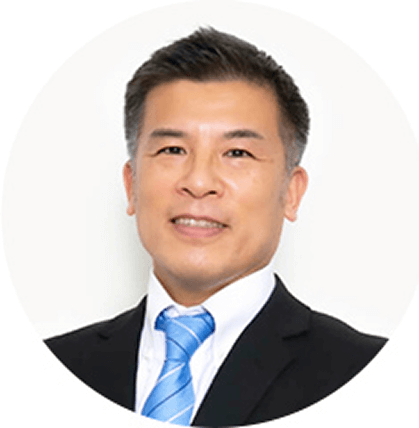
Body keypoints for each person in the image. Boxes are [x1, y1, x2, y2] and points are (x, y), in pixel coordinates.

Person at [45, 28, 387, 426]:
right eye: (173, 149)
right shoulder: (51, 368)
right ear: (131, 184)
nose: (199, 181)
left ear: (291, 193)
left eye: (237, 152)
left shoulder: (370, 376)